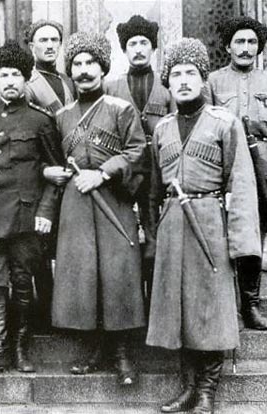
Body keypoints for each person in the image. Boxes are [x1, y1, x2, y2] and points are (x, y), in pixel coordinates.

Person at [146, 38, 261, 414]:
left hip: (210, 223)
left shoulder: (224, 123)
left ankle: (208, 390)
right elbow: (154, 189)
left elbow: (240, 182)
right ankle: (188, 387)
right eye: (176, 74)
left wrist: (240, 242)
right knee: (179, 308)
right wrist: (152, 234)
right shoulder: (162, 129)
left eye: (190, 73)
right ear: (167, 82)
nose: (183, 80)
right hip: (172, 224)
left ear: (202, 78)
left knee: (208, 308)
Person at [51, 31, 146, 386]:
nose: (84, 70)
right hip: (76, 203)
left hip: (114, 200)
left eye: (91, 62)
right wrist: (59, 173)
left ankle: (121, 353)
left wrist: (103, 173)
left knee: (118, 274)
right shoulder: (61, 116)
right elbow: (54, 158)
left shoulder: (121, 109)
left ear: (103, 68)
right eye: (77, 64)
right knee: (83, 275)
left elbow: (137, 152)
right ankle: (93, 348)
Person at [0, 41, 62, 380]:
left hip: (26, 218)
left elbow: (56, 173)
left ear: (25, 79)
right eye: (4, 75)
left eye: (16, 75)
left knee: (22, 282)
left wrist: (46, 212)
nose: (10, 81)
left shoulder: (41, 121)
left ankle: (21, 348)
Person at [208, 16, 267, 330]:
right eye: (239, 42)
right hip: (225, 164)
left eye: (252, 42)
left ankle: (250, 305)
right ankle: (224, 304)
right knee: (221, 231)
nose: (246, 48)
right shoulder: (213, 82)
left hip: (261, 165)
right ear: (228, 46)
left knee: (253, 235)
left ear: (259, 47)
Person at [105, 14, 174, 312]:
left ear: (153, 48)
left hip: (158, 176)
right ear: (124, 49)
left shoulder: (167, 88)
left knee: (156, 241)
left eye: (144, 43)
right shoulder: (111, 87)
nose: (138, 49)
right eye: (132, 43)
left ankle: (154, 307)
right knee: (126, 241)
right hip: (125, 176)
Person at [25, 19, 77, 330]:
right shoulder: (29, 83)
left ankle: (67, 311)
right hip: (43, 171)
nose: (49, 45)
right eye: (42, 40)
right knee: (40, 246)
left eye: (54, 40)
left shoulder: (68, 81)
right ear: (32, 46)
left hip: (70, 168)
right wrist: (44, 170)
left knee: (66, 242)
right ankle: (43, 313)